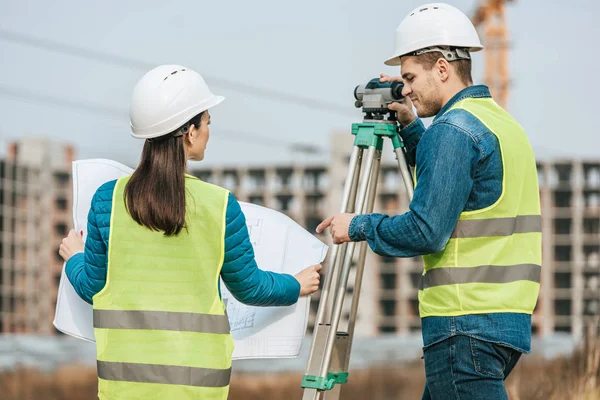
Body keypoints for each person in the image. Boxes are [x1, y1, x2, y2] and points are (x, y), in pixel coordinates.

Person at [316, 3, 541, 399]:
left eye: (409, 77)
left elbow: (426, 230)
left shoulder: (451, 131)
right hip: (504, 322)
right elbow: (452, 185)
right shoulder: (501, 124)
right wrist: (410, 125)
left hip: (462, 323)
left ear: (441, 68)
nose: (406, 89)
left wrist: (356, 225)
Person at [59, 64, 322, 400]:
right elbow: (250, 287)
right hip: (200, 388)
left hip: (124, 387)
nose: (209, 130)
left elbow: (91, 287)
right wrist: (295, 285)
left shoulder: (107, 201)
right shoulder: (219, 205)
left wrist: (74, 257)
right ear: (190, 132)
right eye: (208, 122)